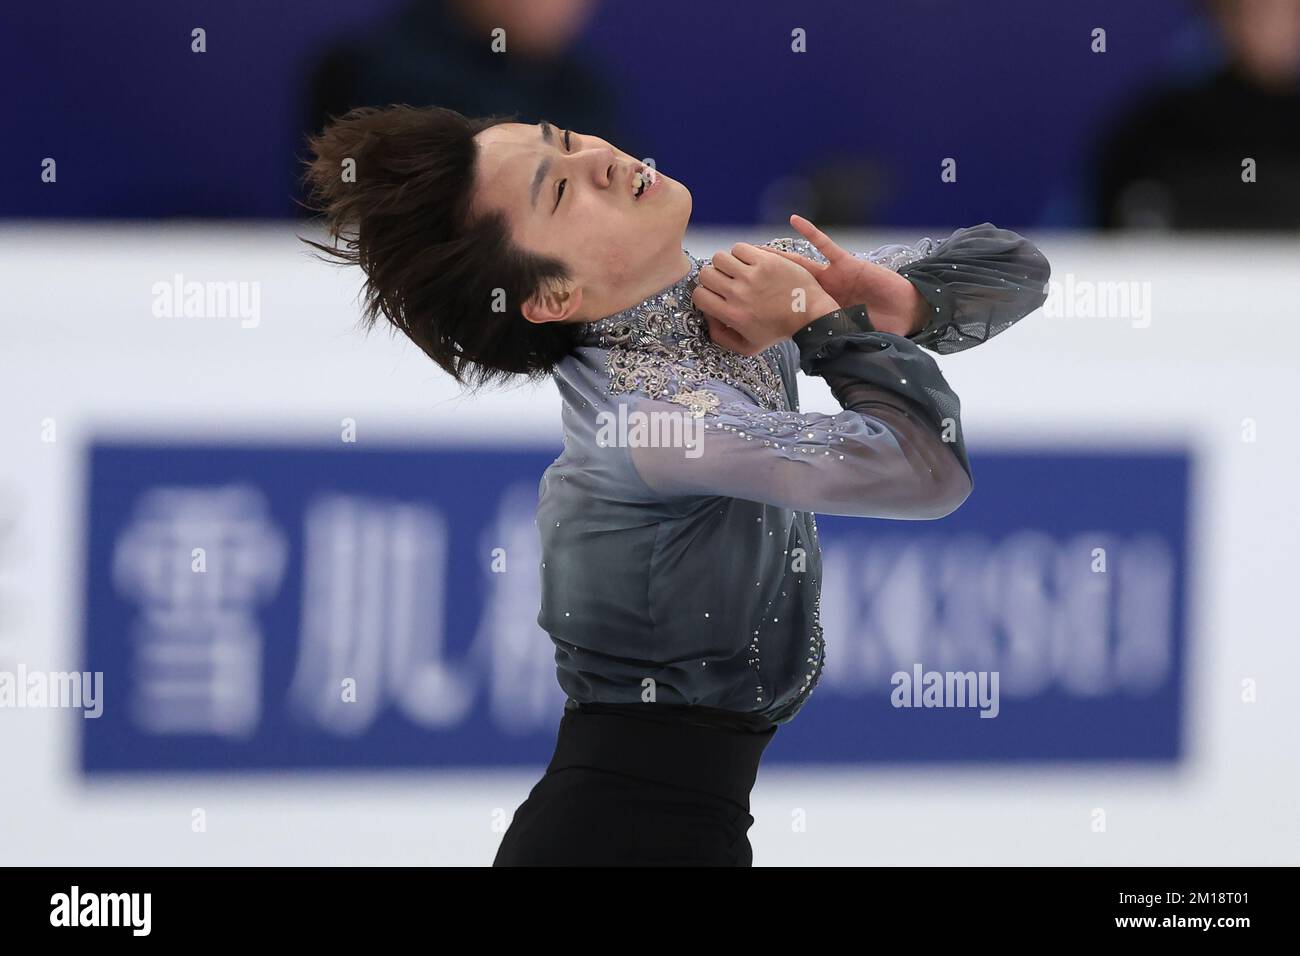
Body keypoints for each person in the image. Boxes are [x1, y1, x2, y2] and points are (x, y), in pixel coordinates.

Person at [301, 105, 1050, 866]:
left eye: (568, 140)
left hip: (678, 827)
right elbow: (927, 471)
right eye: (558, 193)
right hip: (620, 836)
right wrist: (828, 325)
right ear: (554, 295)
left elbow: (1016, 267)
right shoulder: (652, 421)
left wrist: (893, 299)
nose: (598, 159)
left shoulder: (742, 289)